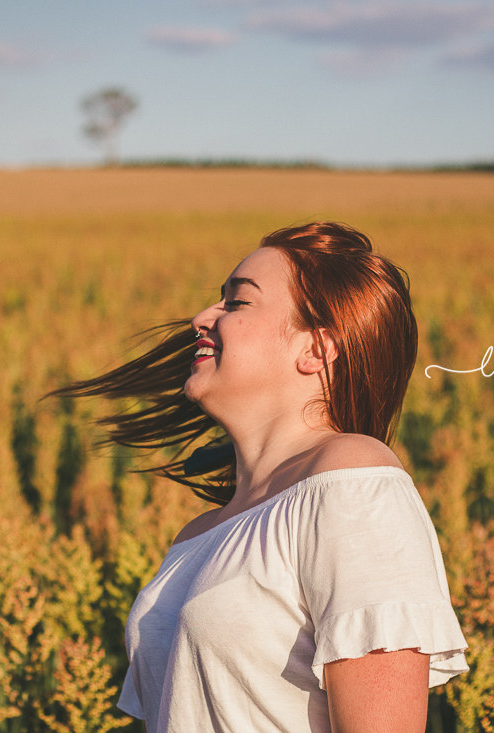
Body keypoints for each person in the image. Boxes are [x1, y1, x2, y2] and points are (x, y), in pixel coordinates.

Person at [54, 222, 468, 732]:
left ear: (317, 348)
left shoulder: (354, 482)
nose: (202, 318)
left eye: (237, 303)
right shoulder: (198, 534)